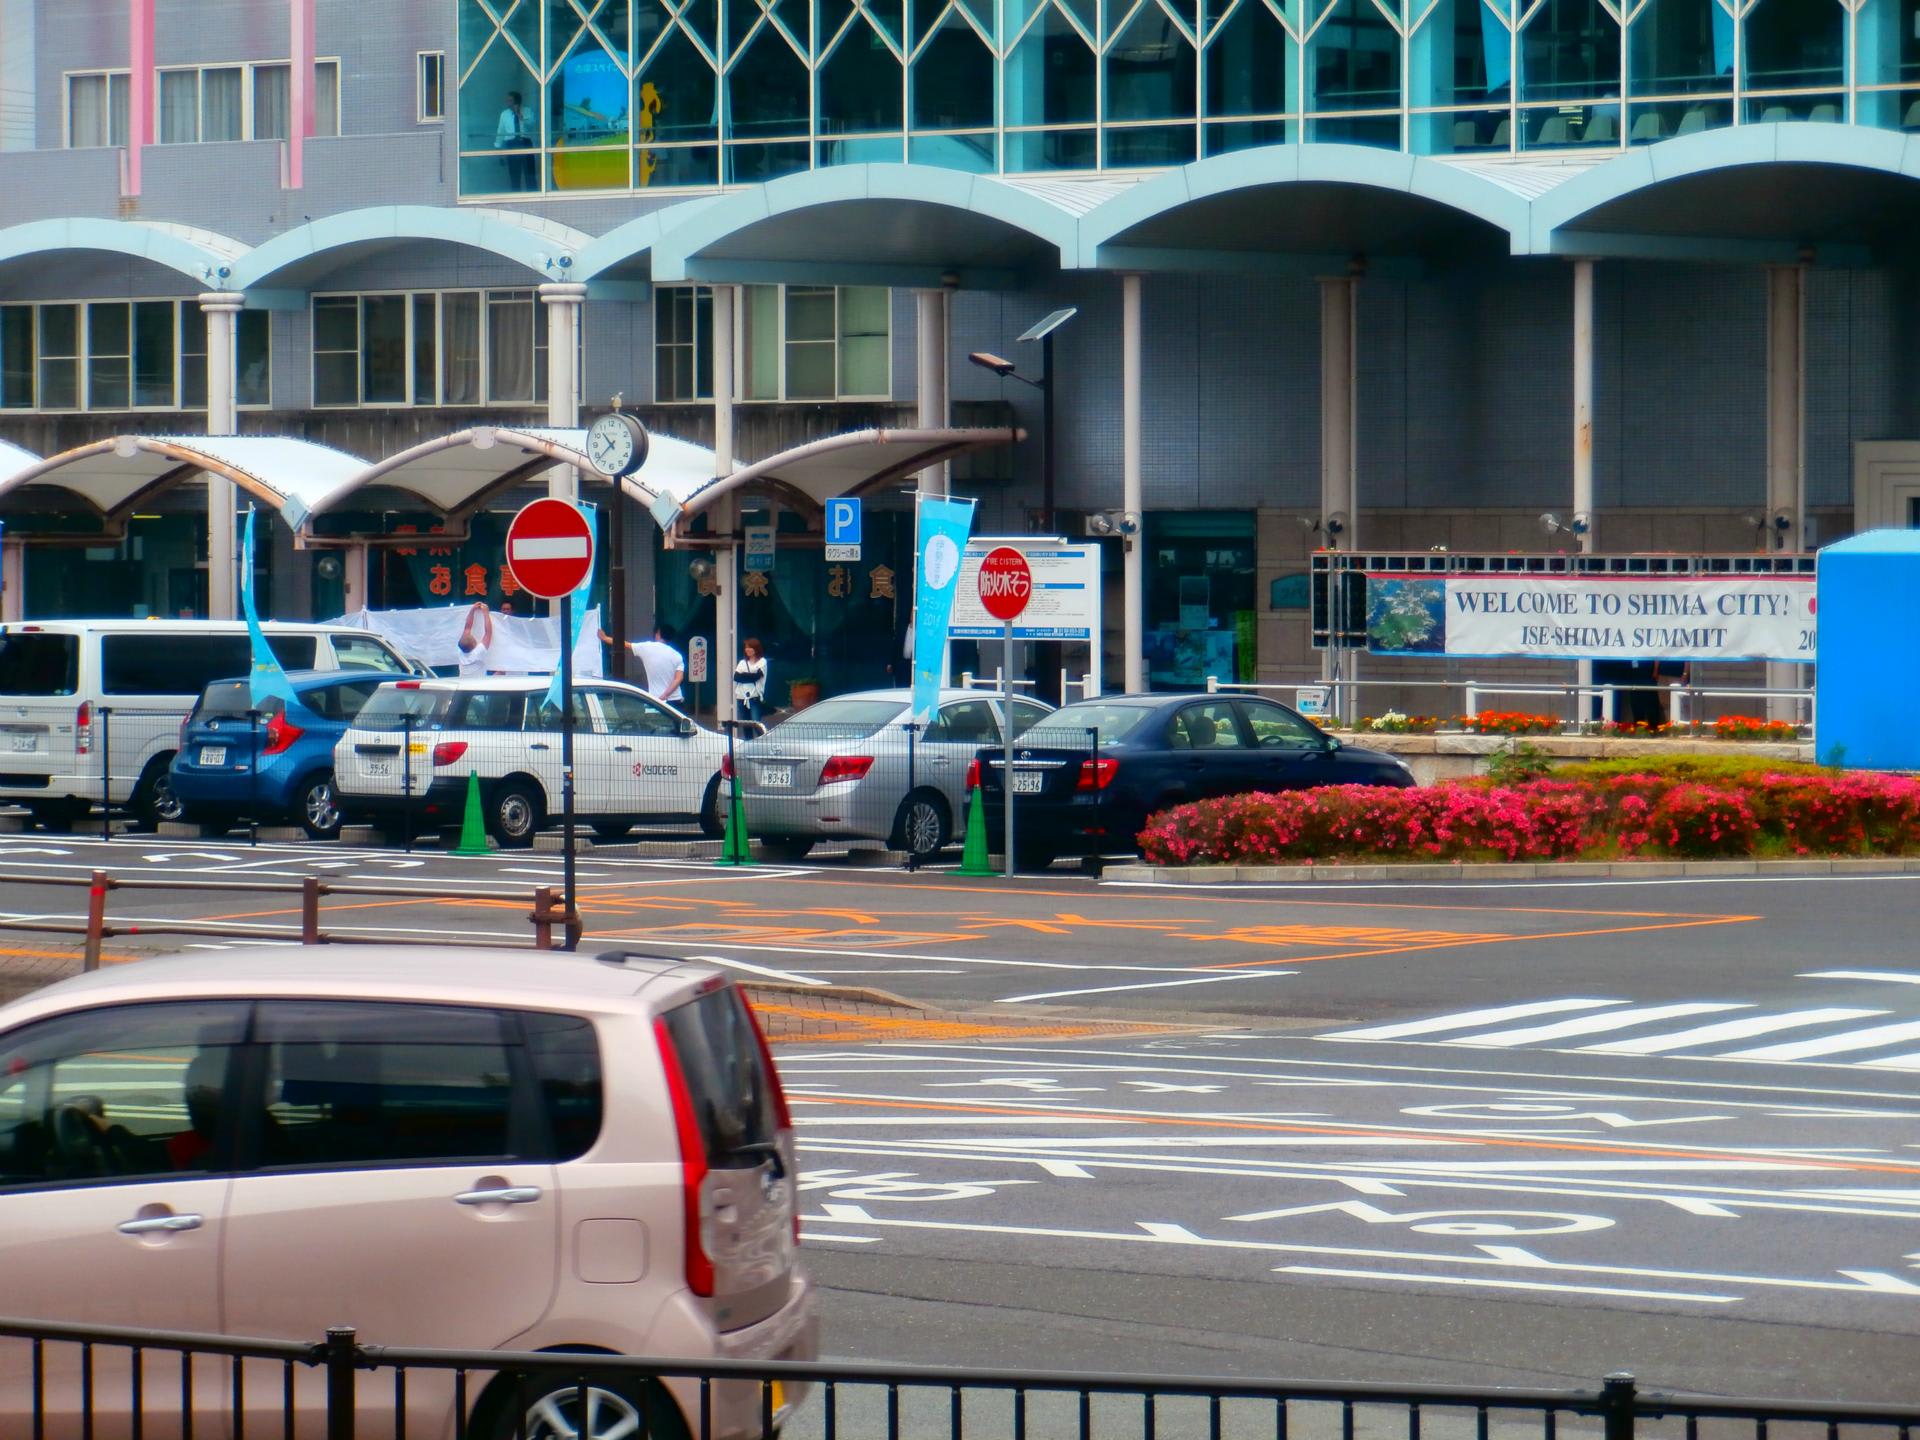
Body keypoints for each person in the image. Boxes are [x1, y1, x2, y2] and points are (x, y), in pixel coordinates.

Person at [599, 621, 684, 702]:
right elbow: (678, 678)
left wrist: (605, 638)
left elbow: (625, 644)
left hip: (656, 700)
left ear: (658, 633)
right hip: (676, 698)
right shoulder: (677, 655)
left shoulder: (647, 647)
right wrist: (666, 694)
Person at [496, 89, 535, 191]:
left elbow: (531, 125)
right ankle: (516, 193)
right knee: (514, 173)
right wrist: (499, 148)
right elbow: (501, 131)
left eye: (510, 101)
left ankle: (532, 194)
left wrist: (520, 115)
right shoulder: (504, 114)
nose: (507, 103)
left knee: (529, 172)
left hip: (525, 142)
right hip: (512, 143)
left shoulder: (527, 111)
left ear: (516, 101)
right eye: (507, 101)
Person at [734, 637, 769, 723]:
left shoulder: (762, 662)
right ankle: (748, 737)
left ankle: (761, 737)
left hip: (754, 698)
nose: (747, 650)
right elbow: (736, 677)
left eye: (750, 647)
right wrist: (750, 675)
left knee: (756, 723)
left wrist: (744, 675)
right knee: (746, 725)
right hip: (741, 698)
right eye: (746, 647)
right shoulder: (742, 662)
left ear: (756, 649)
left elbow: (757, 676)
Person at [457, 601, 494, 677]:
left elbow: (467, 628)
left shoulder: (460, 653)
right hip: (478, 686)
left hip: (463, 685)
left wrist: (472, 610)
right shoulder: (478, 652)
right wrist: (486, 613)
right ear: (474, 644)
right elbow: (488, 633)